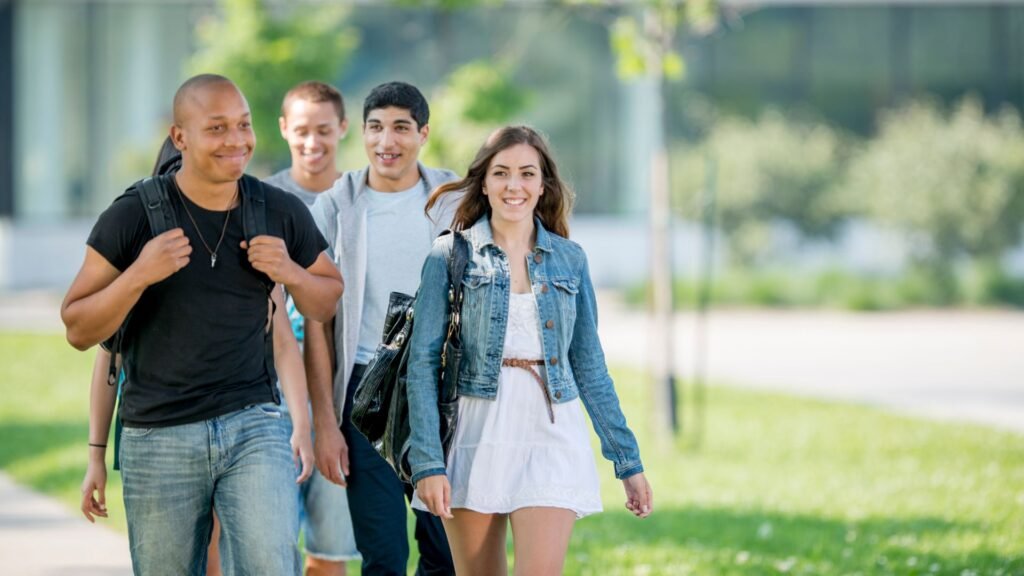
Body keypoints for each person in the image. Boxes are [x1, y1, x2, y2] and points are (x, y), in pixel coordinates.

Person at [63, 73, 343, 575]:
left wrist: (291, 273)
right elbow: (79, 328)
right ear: (180, 137)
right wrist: (139, 275)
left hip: (253, 424)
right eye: (217, 128)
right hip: (159, 434)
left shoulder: (275, 209)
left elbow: (326, 301)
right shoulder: (133, 216)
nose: (237, 140)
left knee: (271, 564)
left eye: (243, 125)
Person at [407, 125, 654, 575]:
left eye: (526, 173)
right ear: (484, 182)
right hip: (475, 429)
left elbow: (589, 365)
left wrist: (627, 460)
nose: (513, 185)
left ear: (543, 185)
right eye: (501, 173)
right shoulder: (449, 255)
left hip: (551, 429)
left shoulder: (570, 259)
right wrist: (427, 463)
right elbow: (422, 365)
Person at [305, 81, 458, 576]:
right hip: (363, 388)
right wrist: (327, 424)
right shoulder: (337, 205)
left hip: (439, 390)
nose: (386, 141)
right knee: (384, 556)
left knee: (445, 549)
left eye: (400, 128)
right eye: (375, 127)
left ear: (423, 133)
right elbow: (313, 317)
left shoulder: (454, 201)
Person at [265, 80, 361, 576]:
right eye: (301, 130)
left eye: (324, 130)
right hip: (269, 393)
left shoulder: (359, 200)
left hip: (340, 393)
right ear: (284, 129)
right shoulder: (261, 199)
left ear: (342, 128)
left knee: (332, 550)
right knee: (267, 546)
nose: (312, 142)